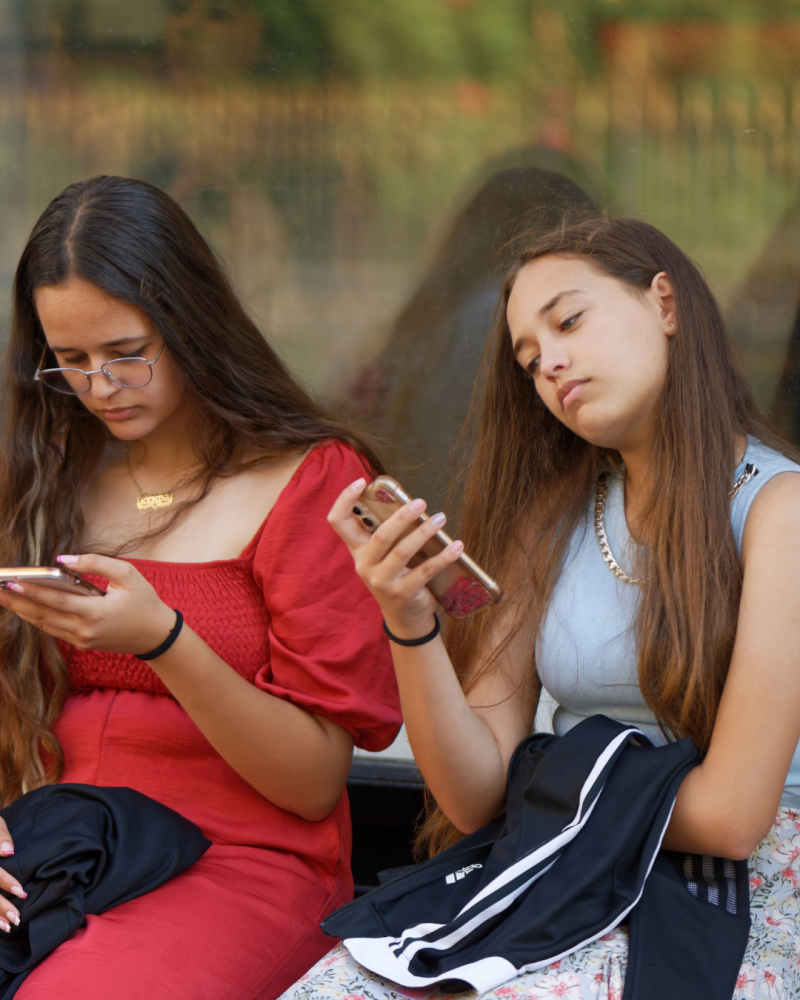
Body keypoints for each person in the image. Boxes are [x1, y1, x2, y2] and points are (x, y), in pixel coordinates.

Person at [303, 216, 800, 999]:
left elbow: (734, 814)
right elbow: (475, 794)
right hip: (561, 857)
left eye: (569, 321)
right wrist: (409, 619)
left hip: (728, 888)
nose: (552, 363)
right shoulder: (555, 518)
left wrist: (549, 781)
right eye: (529, 362)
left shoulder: (779, 510)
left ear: (665, 303)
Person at [0, 175, 402, 999]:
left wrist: (163, 641)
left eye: (126, 353)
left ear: (191, 324)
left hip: (242, 861)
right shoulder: (47, 469)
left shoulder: (311, 480)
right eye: (69, 362)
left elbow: (312, 783)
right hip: (53, 842)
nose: (99, 387)